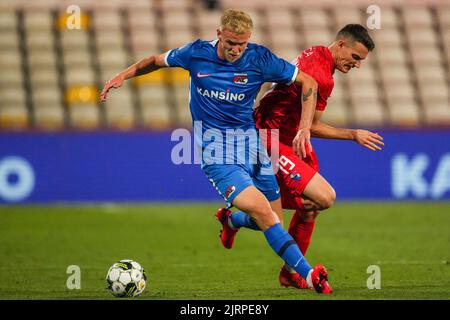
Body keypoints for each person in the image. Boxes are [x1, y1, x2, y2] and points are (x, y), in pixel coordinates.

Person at [100, 9, 332, 294]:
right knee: (264, 213)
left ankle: (231, 219)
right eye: (231, 43)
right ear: (219, 34)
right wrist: (123, 75)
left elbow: (309, 82)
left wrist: (304, 128)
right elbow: (154, 61)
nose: (236, 50)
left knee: (270, 223)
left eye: (242, 44)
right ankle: (311, 276)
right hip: (216, 152)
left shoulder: (260, 59)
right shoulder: (195, 53)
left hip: (253, 147)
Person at [215, 24, 384, 289]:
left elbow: (277, 87)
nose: (357, 65)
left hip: (289, 138)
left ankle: (286, 269)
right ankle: (240, 224)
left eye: (361, 61)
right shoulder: (321, 75)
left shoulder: (314, 54)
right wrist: (352, 135)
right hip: (269, 138)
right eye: (355, 57)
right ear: (341, 45)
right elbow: (313, 124)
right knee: (323, 197)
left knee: (308, 207)